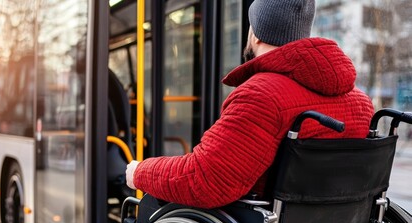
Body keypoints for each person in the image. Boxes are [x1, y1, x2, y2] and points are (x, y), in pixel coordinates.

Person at [125, 0, 374, 209]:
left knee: (145, 210)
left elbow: (206, 180)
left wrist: (140, 172)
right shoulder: (361, 104)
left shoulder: (260, 96)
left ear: (254, 34)